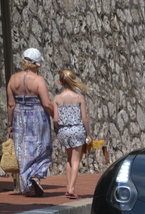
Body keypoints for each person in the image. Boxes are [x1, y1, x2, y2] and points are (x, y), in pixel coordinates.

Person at [6, 48, 53, 197]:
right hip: (38, 116)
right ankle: (36, 176)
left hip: (19, 116)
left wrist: (10, 125)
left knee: (23, 150)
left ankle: (27, 185)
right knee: (42, 148)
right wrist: (56, 117)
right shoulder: (38, 80)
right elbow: (46, 103)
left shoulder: (13, 79)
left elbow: (11, 105)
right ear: (37, 64)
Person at [53, 69, 92, 199]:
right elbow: (84, 118)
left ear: (60, 82)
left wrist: (57, 129)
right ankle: (72, 188)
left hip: (64, 131)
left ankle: (67, 186)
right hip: (77, 129)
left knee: (68, 159)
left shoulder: (57, 98)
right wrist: (88, 134)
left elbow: (56, 119)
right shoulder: (79, 97)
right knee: (76, 160)